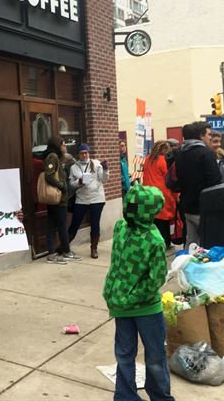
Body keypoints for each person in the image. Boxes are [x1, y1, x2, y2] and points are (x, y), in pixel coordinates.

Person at [102, 184, 175, 401]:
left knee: (145, 356)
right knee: (135, 355)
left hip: (137, 307)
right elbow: (120, 265)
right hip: (131, 307)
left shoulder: (149, 239)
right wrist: (120, 297)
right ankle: (128, 396)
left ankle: (155, 396)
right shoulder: (125, 229)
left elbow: (154, 280)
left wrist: (122, 297)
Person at [174, 122, 222, 248]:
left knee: (191, 242)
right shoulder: (205, 153)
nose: (210, 137)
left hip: (187, 207)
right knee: (208, 244)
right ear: (201, 136)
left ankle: (187, 265)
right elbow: (216, 180)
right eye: (208, 134)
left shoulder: (180, 153)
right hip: (204, 208)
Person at [68, 144, 108, 259]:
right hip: (82, 199)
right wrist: (79, 182)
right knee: (75, 223)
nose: (84, 155)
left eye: (86, 152)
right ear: (78, 154)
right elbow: (71, 185)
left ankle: (94, 248)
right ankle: (65, 246)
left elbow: (104, 180)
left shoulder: (96, 164)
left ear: (89, 153)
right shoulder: (74, 167)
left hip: (97, 198)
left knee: (95, 224)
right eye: (82, 153)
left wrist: (105, 169)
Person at [142, 141, 178, 250]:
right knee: (164, 222)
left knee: (154, 220)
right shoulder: (163, 161)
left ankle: (153, 243)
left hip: (148, 194)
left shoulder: (147, 159)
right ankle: (165, 243)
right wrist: (176, 195)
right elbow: (169, 177)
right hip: (162, 194)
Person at [41, 136, 71, 264]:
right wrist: (62, 186)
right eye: (63, 145)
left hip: (57, 198)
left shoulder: (56, 157)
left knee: (52, 225)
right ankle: (66, 251)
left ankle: (52, 254)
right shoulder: (53, 156)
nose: (65, 147)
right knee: (62, 225)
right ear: (57, 145)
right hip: (58, 198)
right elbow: (49, 175)